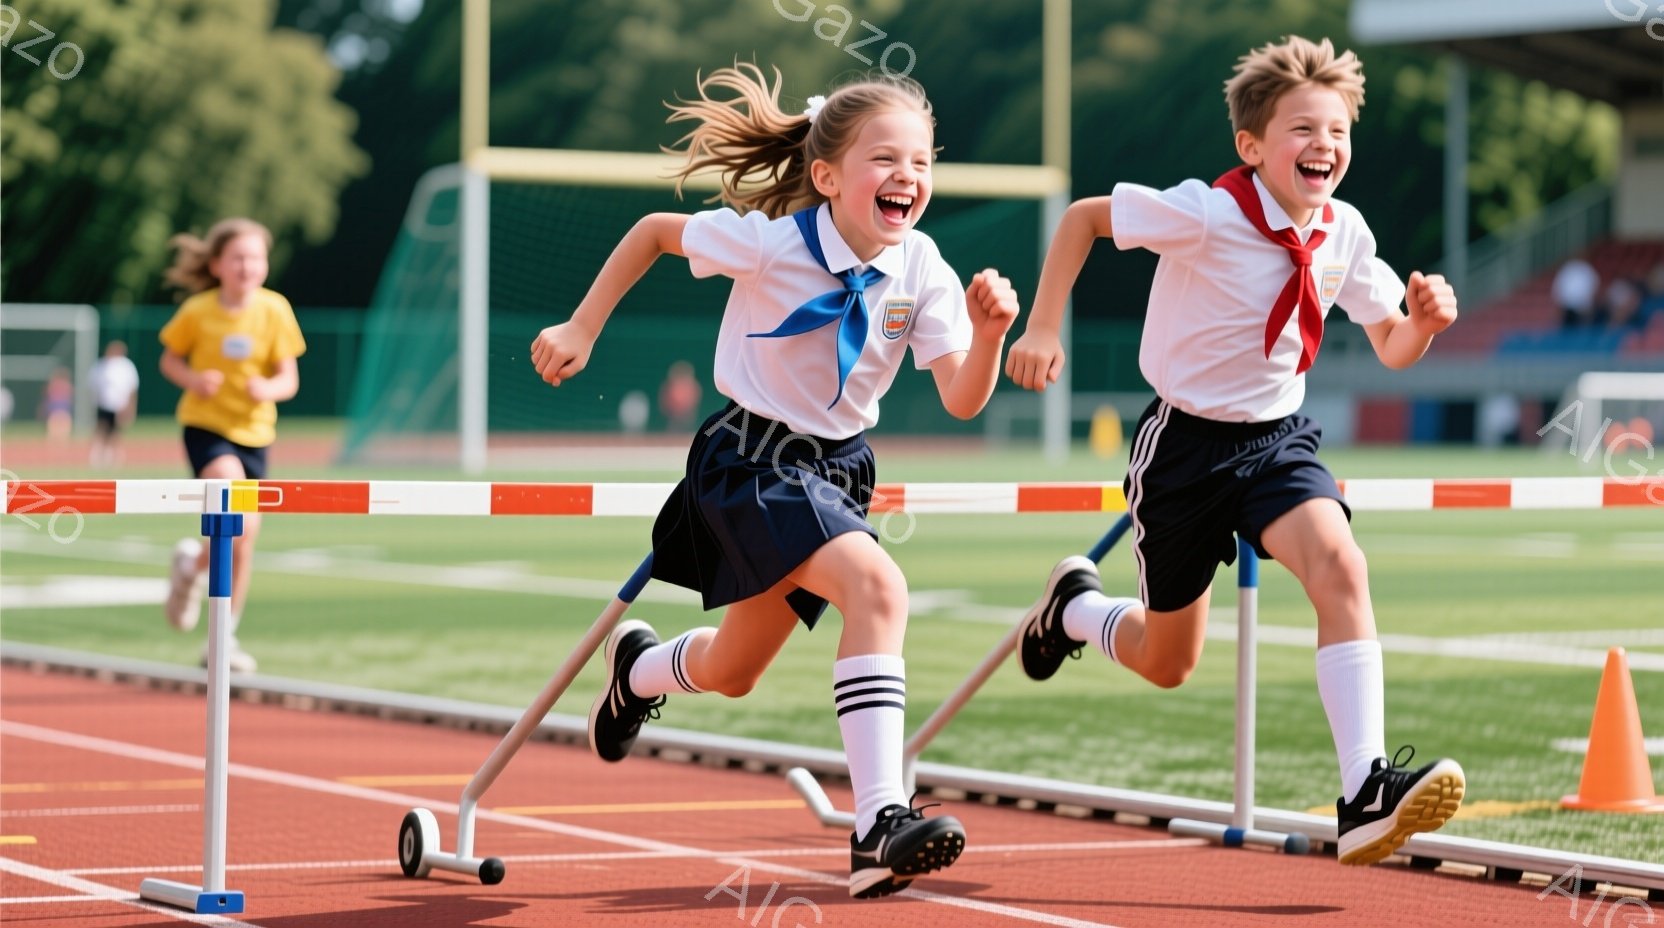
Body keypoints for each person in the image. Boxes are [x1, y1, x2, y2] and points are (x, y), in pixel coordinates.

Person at [530, 63, 1018, 898]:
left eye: (923, 164)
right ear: (827, 176)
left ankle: (638, 670)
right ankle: (878, 824)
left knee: (736, 669)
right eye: (886, 160)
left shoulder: (923, 267)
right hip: (749, 459)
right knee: (879, 588)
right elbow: (652, 230)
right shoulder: (771, 240)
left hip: (839, 469)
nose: (908, 177)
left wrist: (989, 334)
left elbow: (961, 399)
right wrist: (581, 327)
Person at [1003, 36, 1466, 867]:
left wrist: (1423, 326)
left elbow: (1391, 340)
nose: (1323, 146)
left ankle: (1365, 789)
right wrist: (1041, 327)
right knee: (1167, 660)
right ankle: (1074, 607)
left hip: (1278, 440)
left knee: (1342, 565)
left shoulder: (1345, 233)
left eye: (1336, 131)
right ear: (1252, 147)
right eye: (1301, 130)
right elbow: (1083, 219)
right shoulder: (1207, 211)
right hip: (1182, 445)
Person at [158, 218, 306, 674]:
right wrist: (193, 380)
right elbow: (169, 359)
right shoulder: (199, 311)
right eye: (239, 257)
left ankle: (216, 620)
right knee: (233, 512)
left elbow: (289, 377)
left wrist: (269, 389)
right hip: (207, 428)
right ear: (218, 264)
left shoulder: (275, 309)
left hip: (255, 434)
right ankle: (203, 595)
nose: (248, 266)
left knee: (244, 539)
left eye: (257, 258)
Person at [89, 340, 141, 467]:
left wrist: (130, 407)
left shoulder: (126, 366)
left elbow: (132, 388)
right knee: (102, 428)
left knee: (116, 431)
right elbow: (93, 385)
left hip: (120, 405)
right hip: (103, 404)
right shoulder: (101, 365)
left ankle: (114, 456)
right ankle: (98, 455)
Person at [1553, 256, 1601, 330]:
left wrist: (1587, 304)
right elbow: (1558, 288)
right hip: (1567, 307)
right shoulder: (1567, 269)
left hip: (1583, 307)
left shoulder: (1586, 269)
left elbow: (1594, 286)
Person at [657, 359, 702, 432]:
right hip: (673, 417)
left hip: (688, 418)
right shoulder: (670, 387)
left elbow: (695, 400)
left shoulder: (693, 386)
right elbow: (665, 402)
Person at [38, 368, 74, 441]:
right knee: (59, 427)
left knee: (57, 427)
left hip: (59, 408)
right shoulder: (62, 385)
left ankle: (54, 442)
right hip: (58, 408)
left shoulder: (56, 385)